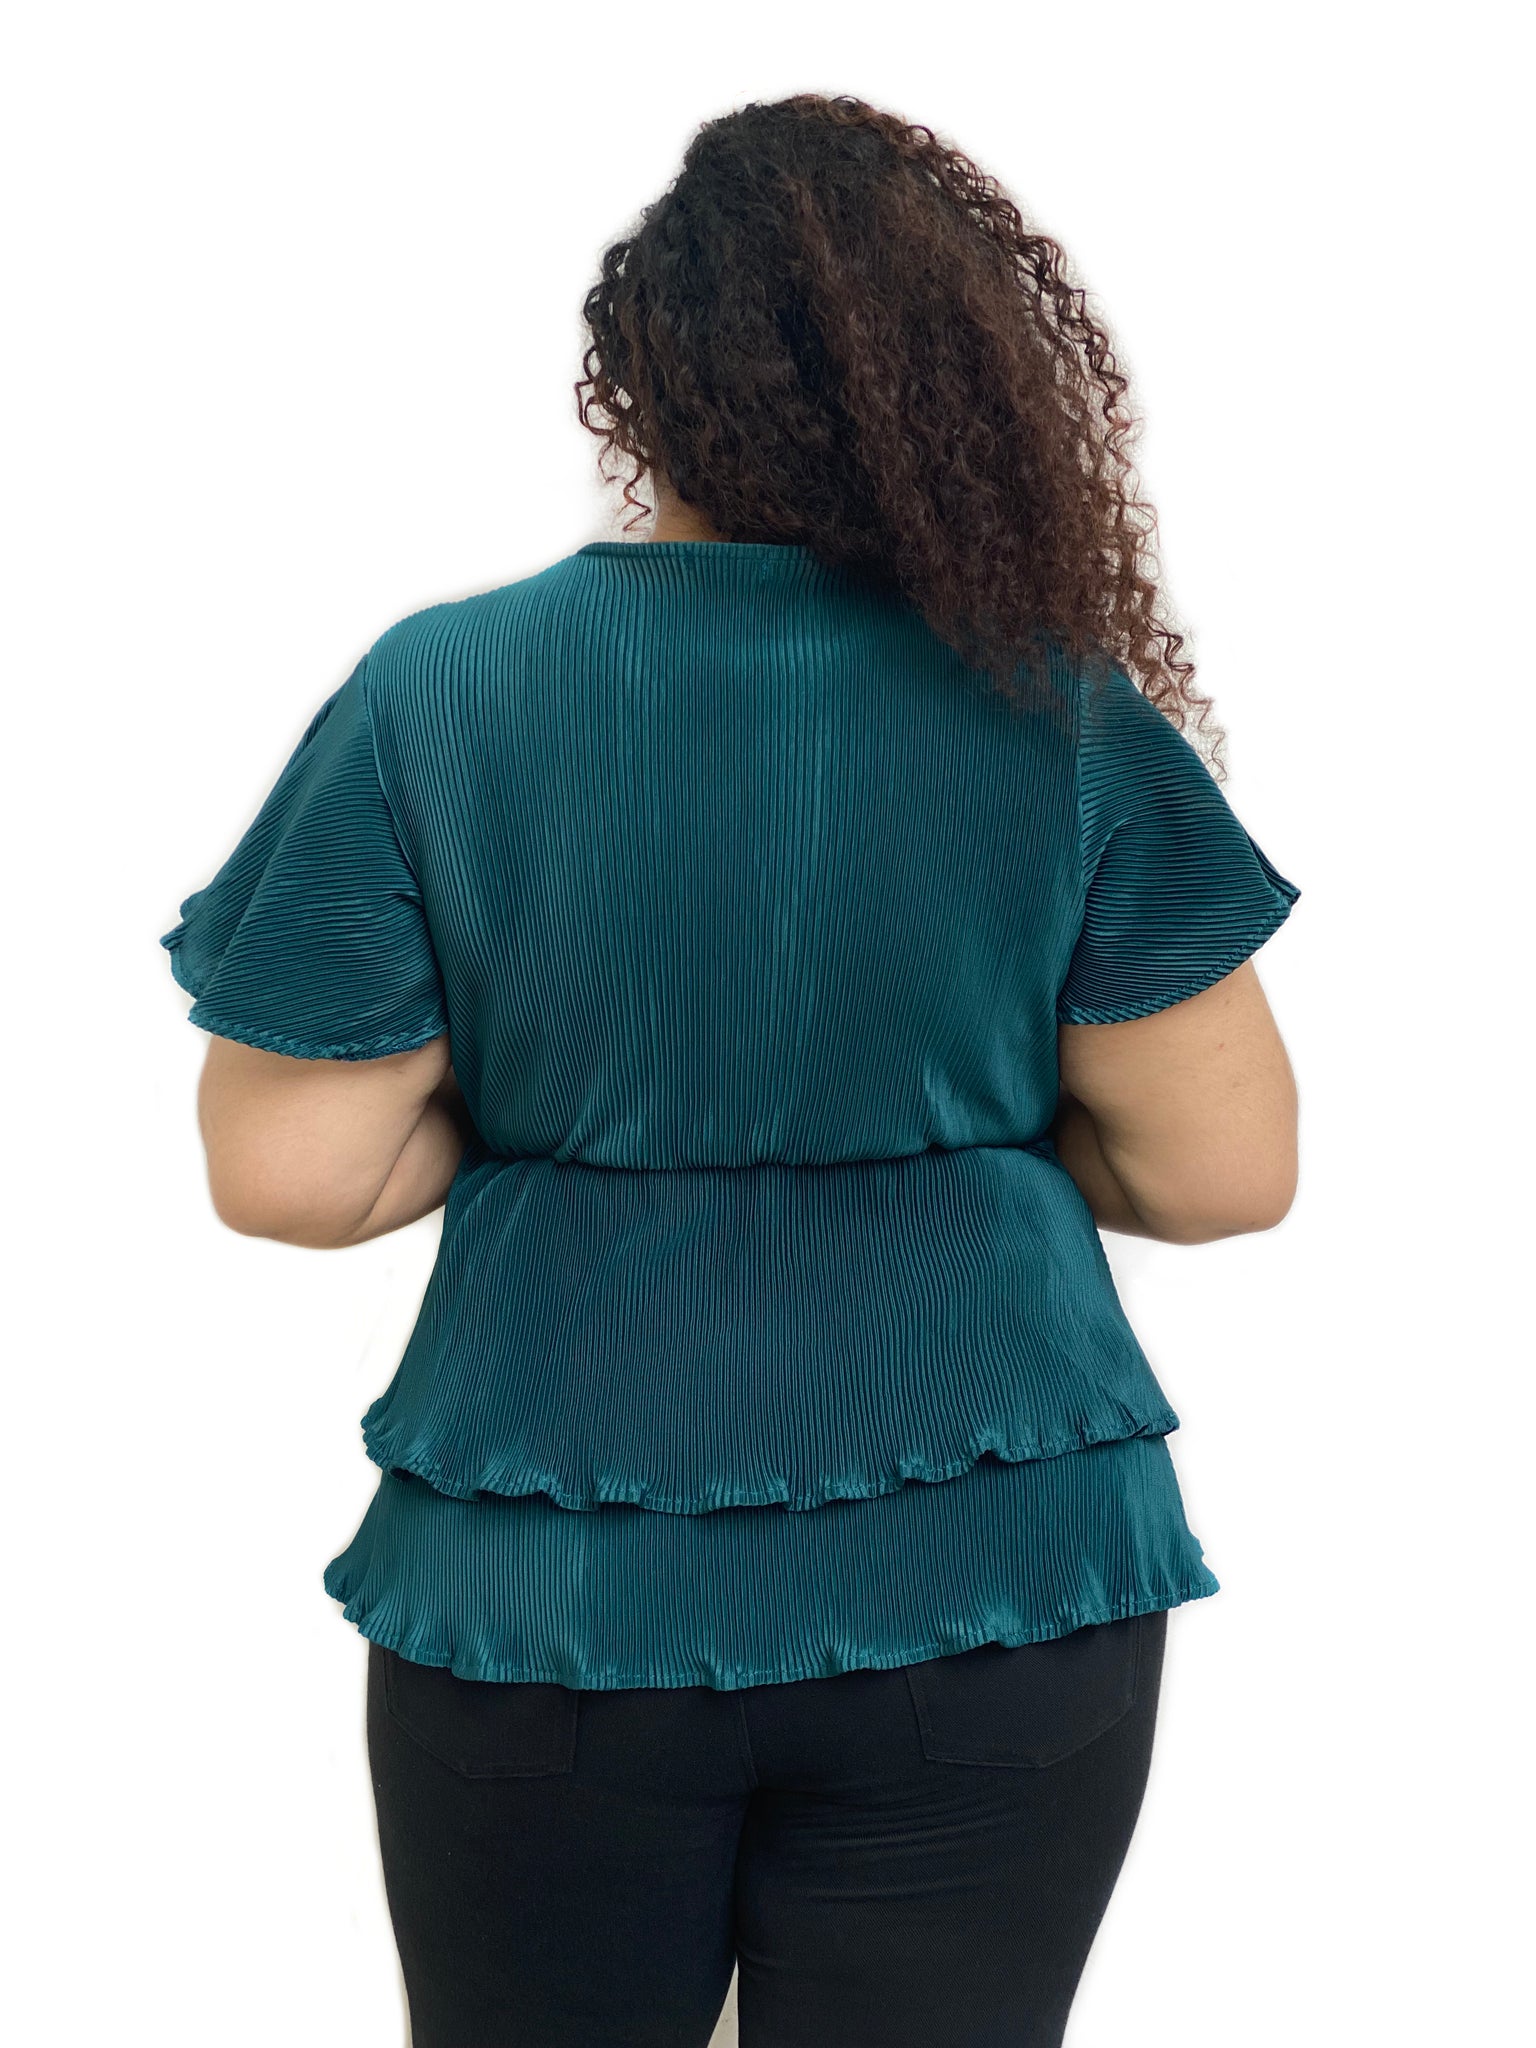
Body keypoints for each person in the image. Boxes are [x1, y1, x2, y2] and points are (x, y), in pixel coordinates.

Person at [159, 91, 1301, 2048]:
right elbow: (1219, 1172)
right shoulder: (1059, 710)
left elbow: (293, 1174)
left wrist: (543, 1118)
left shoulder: (443, 690)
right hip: (999, 1570)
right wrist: (949, 1121)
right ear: (971, 384)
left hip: (551, 1593)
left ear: (642, 379)